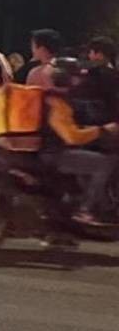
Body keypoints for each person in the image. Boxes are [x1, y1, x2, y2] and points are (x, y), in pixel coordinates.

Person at [41, 59, 119, 226]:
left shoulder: (56, 98)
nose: (79, 80)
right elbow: (72, 137)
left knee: (92, 160)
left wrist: (92, 129)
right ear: (64, 78)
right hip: (55, 154)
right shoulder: (56, 103)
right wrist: (102, 130)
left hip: (56, 150)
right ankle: (85, 210)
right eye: (75, 76)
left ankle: (98, 204)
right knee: (104, 163)